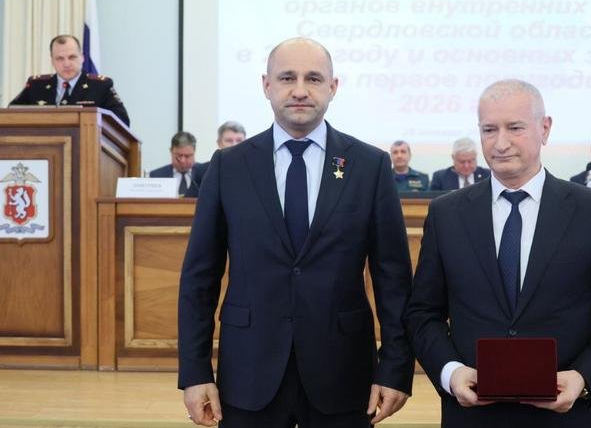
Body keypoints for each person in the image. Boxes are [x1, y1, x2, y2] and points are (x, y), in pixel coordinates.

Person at [178, 37, 414, 428]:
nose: (300, 90)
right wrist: (195, 371)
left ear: (333, 87)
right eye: (287, 77)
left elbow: (393, 279)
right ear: (266, 85)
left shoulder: (369, 166)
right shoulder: (227, 166)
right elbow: (199, 277)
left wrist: (395, 368)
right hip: (248, 373)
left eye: (314, 78)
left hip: (344, 374)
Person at [403, 79, 591, 428]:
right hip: (473, 416)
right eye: (489, 129)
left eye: (515, 128)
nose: (500, 143)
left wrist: (582, 377)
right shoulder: (446, 214)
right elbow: (422, 313)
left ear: (544, 128)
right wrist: (451, 372)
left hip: (569, 416)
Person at [9, 34, 130, 126]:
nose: (66, 64)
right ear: (52, 60)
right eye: (60, 58)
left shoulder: (100, 86)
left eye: (72, 57)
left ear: (82, 57)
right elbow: (10, 116)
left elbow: (122, 122)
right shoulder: (36, 85)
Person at [186, 121, 247, 197]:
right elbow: (189, 201)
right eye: (229, 140)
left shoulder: (254, 169)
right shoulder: (202, 171)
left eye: (239, 140)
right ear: (219, 143)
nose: (234, 145)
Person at [149, 131, 204, 197]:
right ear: (171, 151)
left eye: (187, 156)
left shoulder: (205, 174)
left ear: (194, 152)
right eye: (179, 156)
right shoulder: (157, 176)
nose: (183, 161)